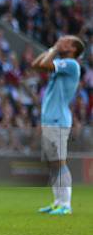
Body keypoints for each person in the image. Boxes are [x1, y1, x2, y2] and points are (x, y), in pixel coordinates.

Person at [32, 35, 84, 216]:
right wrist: (53, 48)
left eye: (67, 41)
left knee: (60, 162)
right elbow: (35, 64)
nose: (62, 40)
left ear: (73, 49)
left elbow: (43, 65)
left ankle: (66, 204)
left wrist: (54, 48)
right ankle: (57, 202)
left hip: (58, 120)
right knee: (52, 163)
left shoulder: (71, 64)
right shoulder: (63, 63)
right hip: (50, 119)